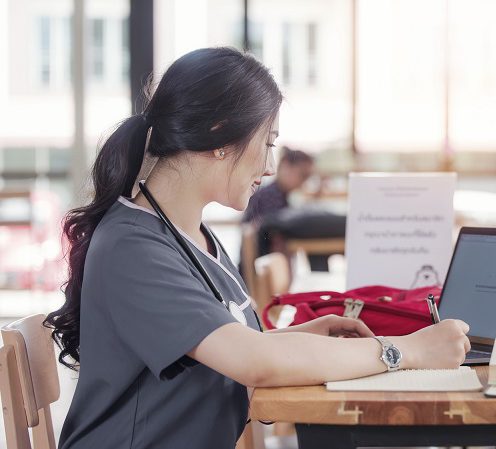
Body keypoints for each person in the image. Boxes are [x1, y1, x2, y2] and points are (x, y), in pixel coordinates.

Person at [45, 47, 470, 449]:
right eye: (267, 142)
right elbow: (253, 362)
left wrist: (297, 339)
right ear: (220, 135)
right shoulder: (133, 246)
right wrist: (408, 351)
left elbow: (229, 348)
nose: (269, 166)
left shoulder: (192, 236)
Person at [241, 146, 346, 272]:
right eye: (303, 175)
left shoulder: (279, 196)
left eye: (307, 177)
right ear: (285, 166)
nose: (304, 182)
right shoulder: (268, 196)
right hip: (261, 272)